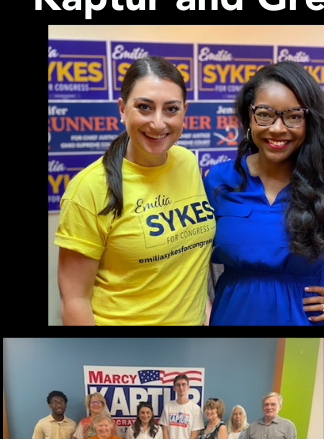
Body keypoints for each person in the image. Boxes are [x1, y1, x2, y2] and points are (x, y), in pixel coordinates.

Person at [203, 60, 324, 326]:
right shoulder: (219, 179)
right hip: (231, 322)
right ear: (250, 116)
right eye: (265, 114)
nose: (277, 128)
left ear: (310, 121)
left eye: (293, 116)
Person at [55, 55, 215, 326]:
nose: (158, 122)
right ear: (122, 108)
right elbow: (74, 300)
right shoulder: (89, 188)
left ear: (184, 111)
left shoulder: (187, 162)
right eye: (144, 107)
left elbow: (189, 267)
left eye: (171, 109)